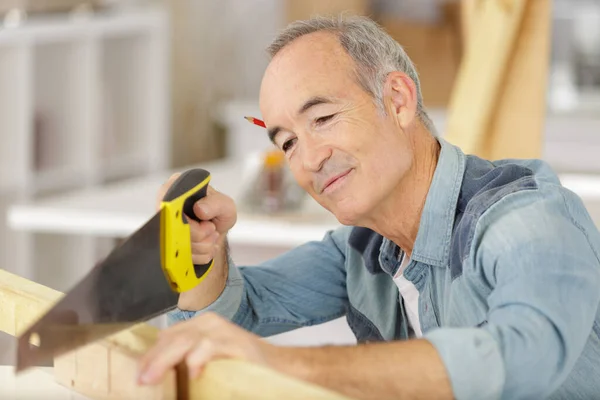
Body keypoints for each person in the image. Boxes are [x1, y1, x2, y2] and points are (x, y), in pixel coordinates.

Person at [137, 15, 600, 400]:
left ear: (397, 100)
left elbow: (525, 357)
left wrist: (287, 365)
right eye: (290, 142)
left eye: (323, 118)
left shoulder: (524, 218)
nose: (310, 158)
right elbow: (236, 319)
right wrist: (201, 253)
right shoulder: (360, 252)